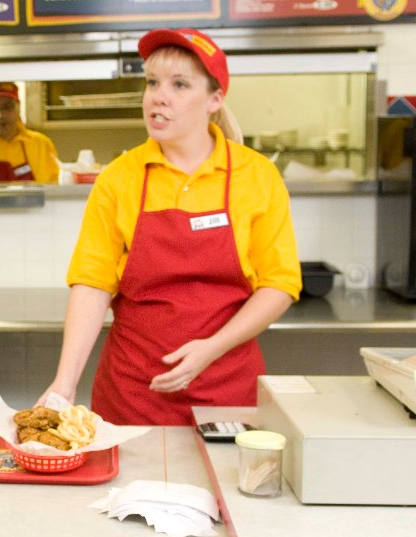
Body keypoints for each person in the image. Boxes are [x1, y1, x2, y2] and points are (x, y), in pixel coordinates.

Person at [38, 29, 301, 425]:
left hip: (227, 387)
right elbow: (92, 284)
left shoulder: (256, 175)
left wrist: (211, 348)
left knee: (224, 486)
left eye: (179, 84)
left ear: (214, 100)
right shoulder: (120, 178)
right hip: (134, 393)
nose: (159, 96)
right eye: (152, 83)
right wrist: (64, 384)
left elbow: (279, 284)